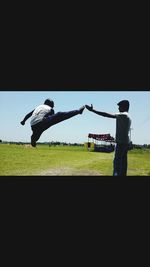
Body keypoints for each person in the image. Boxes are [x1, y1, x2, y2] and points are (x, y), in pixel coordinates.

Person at [85, 100, 131, 176]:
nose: (118, 108)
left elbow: (105, 114)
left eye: (120, 106)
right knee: (123, 165)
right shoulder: (128, 116)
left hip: (120, 144)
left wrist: (92, 110)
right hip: (125, 143)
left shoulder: (123, 115)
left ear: (124, 107)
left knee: (117, 164)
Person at [20, 98, 85, 147]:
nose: (53, 107)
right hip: (42, 122)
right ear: (50, 104)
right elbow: (53, 117)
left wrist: (23, 121)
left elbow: (29, 114)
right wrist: (55, 119)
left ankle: (33, 140)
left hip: (33, 125)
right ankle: (78, 111)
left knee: (36, 137)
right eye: (52, 105)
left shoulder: (38, 107)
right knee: (60, 114)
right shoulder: (50, 108)